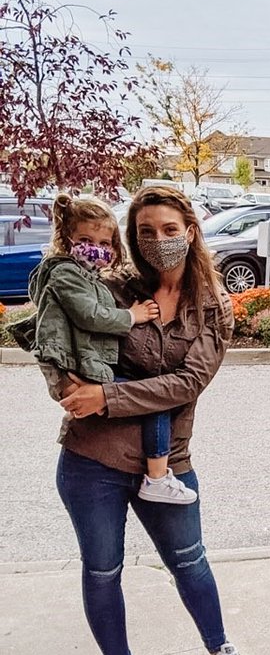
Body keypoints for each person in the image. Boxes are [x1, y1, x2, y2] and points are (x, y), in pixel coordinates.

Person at [55, 185, 254, 655]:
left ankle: (219, 645)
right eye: (146, 232)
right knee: (102, 569)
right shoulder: (111, 289)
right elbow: (63, 340)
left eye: (169, 230)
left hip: (168, 463)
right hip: (93, 459)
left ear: (190, 230)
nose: (158, 241)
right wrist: (71, 388)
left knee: (190, 561)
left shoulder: (214, 308)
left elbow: (188, 382)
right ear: (133, 238)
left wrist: (109, 394)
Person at [19, 192, 196, 505]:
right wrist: (133, 316)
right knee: (154, 400)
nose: (96, 249)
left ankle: (158, 475)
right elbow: (91, 316)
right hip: (81, 374)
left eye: (105, 243)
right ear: (66, 239)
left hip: (85, 368)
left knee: (153, 398)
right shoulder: (67, 274)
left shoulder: (91, 277)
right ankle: (157, 477)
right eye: (85, 239)